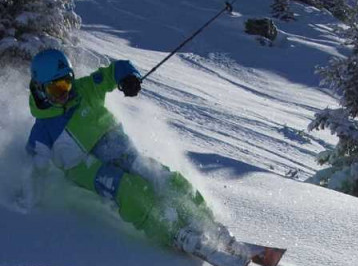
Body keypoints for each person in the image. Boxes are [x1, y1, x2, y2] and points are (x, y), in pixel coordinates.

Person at [20, 48, 232, 255]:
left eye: (66, 83)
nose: (64, 94)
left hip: (119, 148)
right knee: (128, 189)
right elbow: (35, 166)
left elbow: (116, 69)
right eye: (55, 90)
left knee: (160, 176)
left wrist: (128, 77)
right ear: (40, 89)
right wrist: (28, 196)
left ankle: (205, 220)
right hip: (88, 168)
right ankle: (173, 232)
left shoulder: (84, 89)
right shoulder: (43, 129)